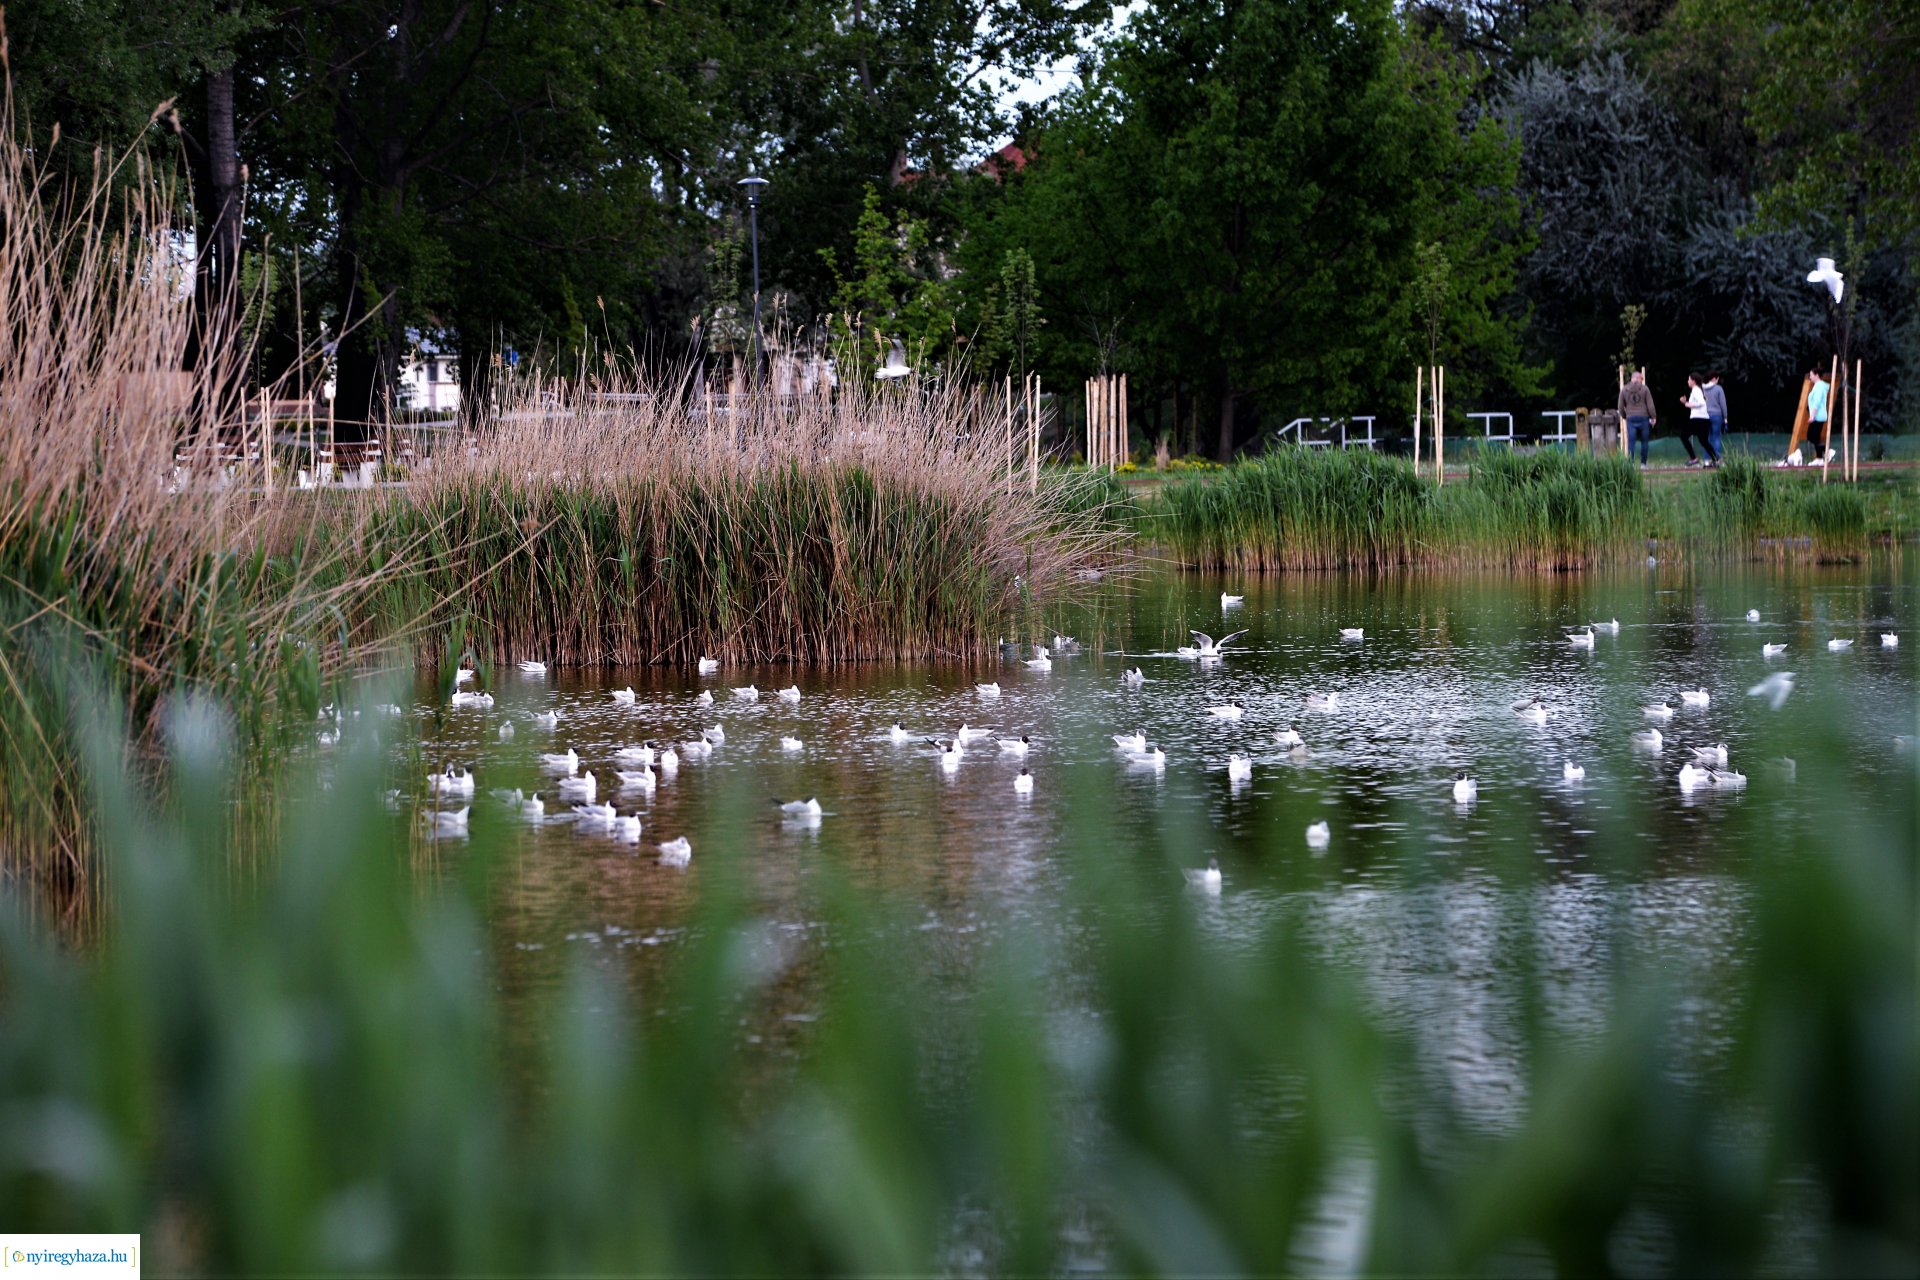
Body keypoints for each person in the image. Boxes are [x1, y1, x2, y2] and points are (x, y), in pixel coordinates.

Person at [1618, 369, 1656, 466]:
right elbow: (1650, 405)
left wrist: (1625, 416)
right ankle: (1643, 464)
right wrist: (1653, 417)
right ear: (1636, 378)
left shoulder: (1624, 390)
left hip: (1631, 418)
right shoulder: (1645, 389)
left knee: (1631, 442)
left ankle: (1631, 463)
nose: (1642, 380)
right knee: (1644, 441)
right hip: (1644, 418)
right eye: (1641, 378)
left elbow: (1620, 406)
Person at [1678, 374, 1716, 466]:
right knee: (1703, 441)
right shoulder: (1697, 390)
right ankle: (1716, 459)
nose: (1688, 381)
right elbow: (1698, 403)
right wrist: (1686, 403)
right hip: (1703, 419)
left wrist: (1687, 403)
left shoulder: (1696, 390)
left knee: (1683, 436)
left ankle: (1694, 458)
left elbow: (1701, 403)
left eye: (1689, 379)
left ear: (1693, 381)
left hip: (1698, 419)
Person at [1807, 368, 1832, 466]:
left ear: (1817, 375)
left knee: (1811, 436)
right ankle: (1819, 458)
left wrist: (1812, 416)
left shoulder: (1820, 386)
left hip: (1818, 416)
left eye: (1811, 375)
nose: (1810, 377)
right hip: (1818, 415)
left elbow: (1817, 402)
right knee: (1815, 437)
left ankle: (1827, 451)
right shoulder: (1817, 385)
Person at [1703, 371, 1729, 462]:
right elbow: (1723, 404)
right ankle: (1717, 459)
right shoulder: (1718, 389)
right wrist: (1725, 417)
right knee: (1716, 438)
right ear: (1714, 378)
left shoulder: (1702, 389)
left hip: (1704, 416)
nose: (1718, 381)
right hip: (1716, 415)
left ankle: (1707, 460)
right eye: (1717, 379)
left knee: (1706, 439)